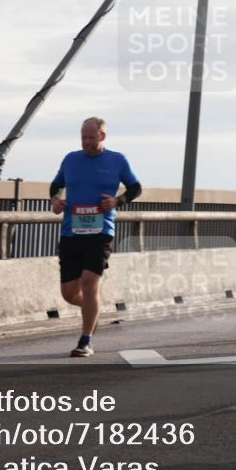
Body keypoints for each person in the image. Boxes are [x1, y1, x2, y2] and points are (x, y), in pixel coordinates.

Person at [50, 117, 142, 358]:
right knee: (69, 294)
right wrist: (55, 201)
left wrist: (117, 201)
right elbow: (55, 185)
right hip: (71, 231)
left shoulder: (117, 160)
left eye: (91, 137)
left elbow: (135, 188)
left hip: (101, 231)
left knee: (90, 283)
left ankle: (85, 340)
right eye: (83, 137)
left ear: (102, 136)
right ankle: (93, 308)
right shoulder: (71, 159)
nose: (86, 142)